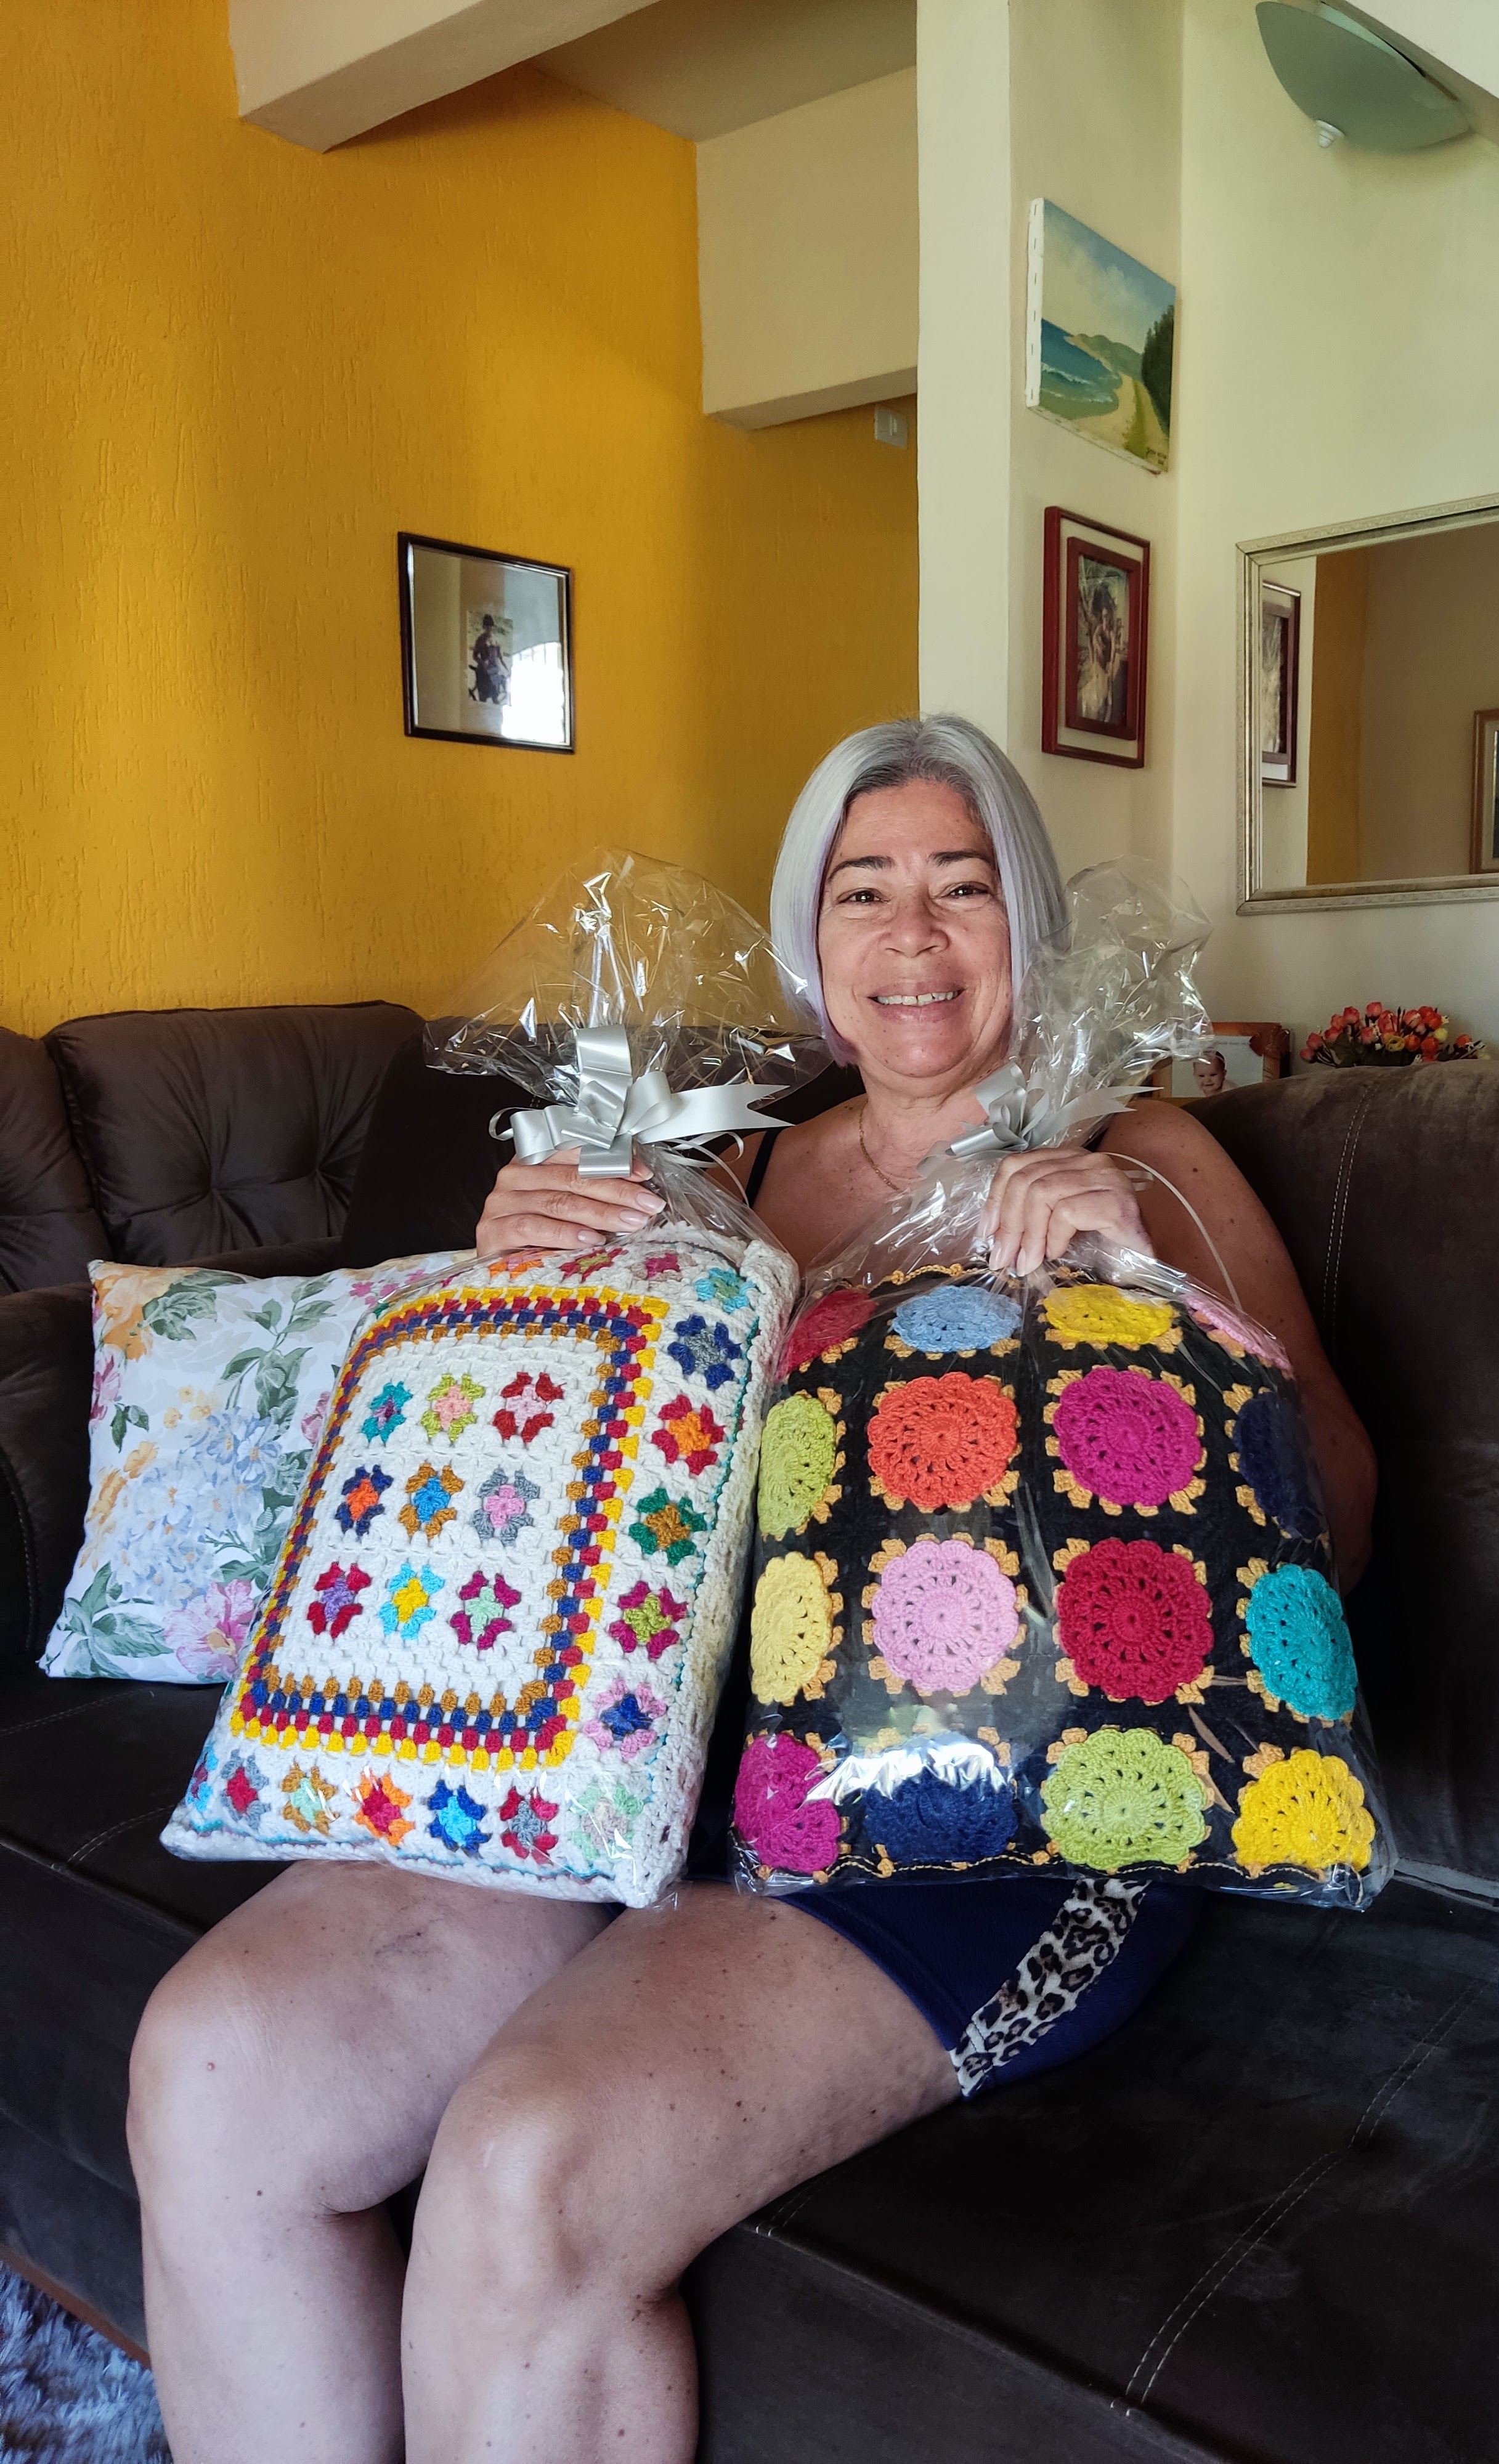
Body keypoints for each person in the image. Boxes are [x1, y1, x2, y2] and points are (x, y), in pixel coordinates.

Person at [128, 716, 1375, 2464]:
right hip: (665, 1768)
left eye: (963, 887)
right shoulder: (737, 1171)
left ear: (1031, 924)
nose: (913, 933)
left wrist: (1151, 1280)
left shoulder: (1147, 1147)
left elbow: (1342, 1527)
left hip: (1005, 1822)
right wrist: (525, 1285)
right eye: (865, 891)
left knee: (530, 2164)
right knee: (214, 2064)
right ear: (811, 943)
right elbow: (592, 1491)